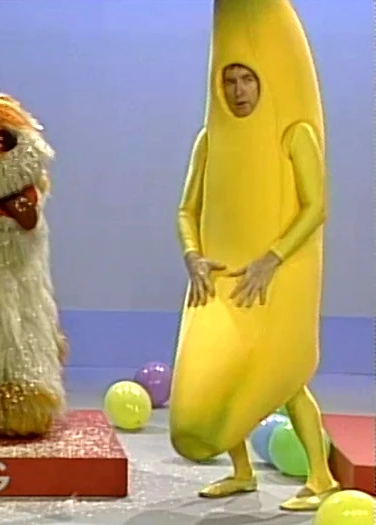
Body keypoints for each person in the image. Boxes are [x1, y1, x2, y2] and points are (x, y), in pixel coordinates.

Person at [168, 0, 340, 512]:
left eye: (247, 80)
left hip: (275, 276)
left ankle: (321, 478)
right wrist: (193, 256)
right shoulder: (209, 141)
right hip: (219, 281)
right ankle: (242, 473)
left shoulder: (296, 134)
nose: (238, 91)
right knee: (224, 375)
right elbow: (186, 209)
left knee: (287, 379)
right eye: (229, 81)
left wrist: (272, 258)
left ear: (264, 82)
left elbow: (316, 208)